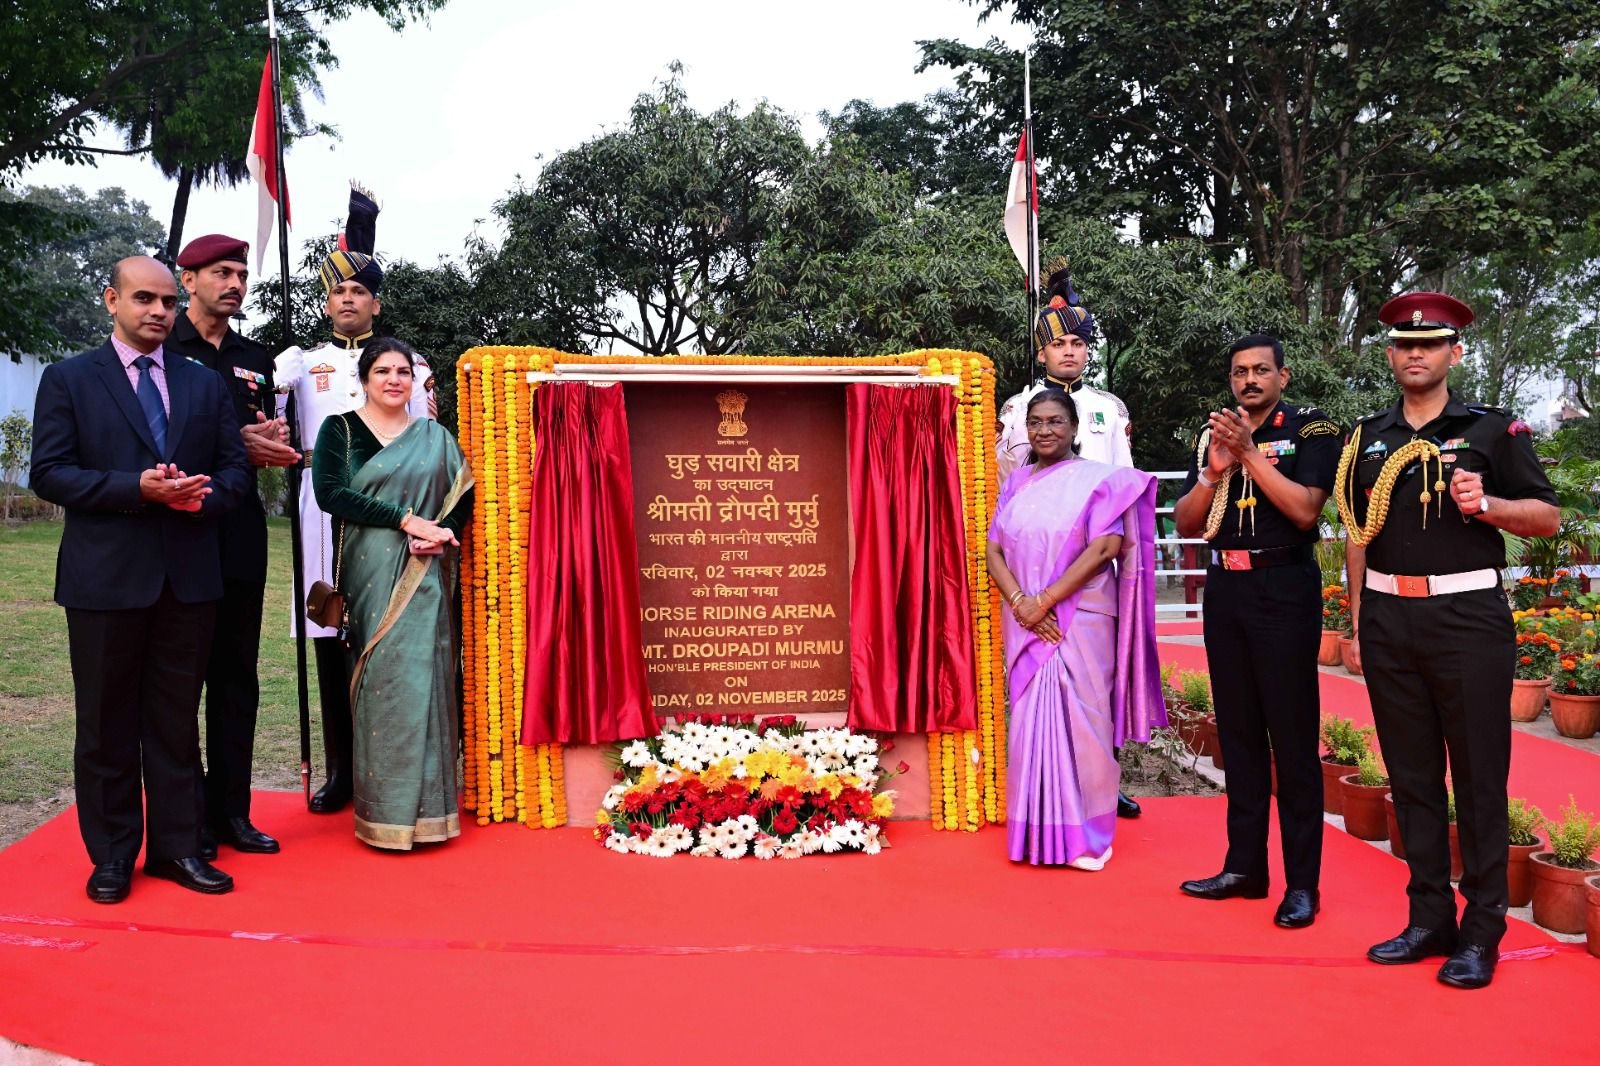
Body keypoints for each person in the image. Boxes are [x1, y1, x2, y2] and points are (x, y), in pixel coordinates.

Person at [1340, 292, 1558, 989]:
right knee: (1411, 779)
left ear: (1453, 353)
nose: (1415, 354)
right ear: (1390, 355)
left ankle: (1482, 928)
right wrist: (1353, 620)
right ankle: (1428, 917)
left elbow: (1547, 516)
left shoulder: (1492, 431)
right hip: (1388, 619)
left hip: (1467, 621)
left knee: (1477, 777)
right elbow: (1357, 530)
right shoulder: (1367, 437)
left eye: (1429, 344)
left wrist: (1485, 503)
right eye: (1404, 345)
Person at [30, 255, 251, 902]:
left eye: (169, 302)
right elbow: (50, 472)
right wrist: (139, 490)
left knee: (176, 723)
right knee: (105, 725)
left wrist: (196, 498)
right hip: (104, 583)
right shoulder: (69, 378)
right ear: (112, 300)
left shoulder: (203, 384)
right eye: (144, 299)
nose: (159, 312)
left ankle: (178, 850)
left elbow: (237, 473)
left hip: (188, 580)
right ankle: (113, 856)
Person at [1172, 334, 1342, 928]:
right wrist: (1213, 473)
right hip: (1228, 591)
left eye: (1261, 371)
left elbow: (1304, 511)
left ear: (1282, 377)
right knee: (1238, 733)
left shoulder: (1313, 430)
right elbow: (1188, 524)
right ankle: (1244, 866)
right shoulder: (1215, 433)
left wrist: (1249, 454)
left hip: (1282, 588)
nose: (1249, 381)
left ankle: (1302, 885)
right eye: (1240, 372)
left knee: (1291, 740)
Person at [275, 184, 434, 814]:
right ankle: (340, 768)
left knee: (387, 634)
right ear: (328, 299)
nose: (348, 300)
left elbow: (423, 443)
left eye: (359, 292)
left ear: (374, 302)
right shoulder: (298, 362)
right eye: (338, 291)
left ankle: (387, 766)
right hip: (320, 514)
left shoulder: (406, 366)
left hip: (389, 514)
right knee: (328, 633)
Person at [986, 390, 1165, 870]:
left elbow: (1104, 548)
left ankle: (1089, 836)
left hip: (1081, 618)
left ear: (1074, 427)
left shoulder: (1101, 482)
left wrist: (1044, 601)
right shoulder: (1017, 483)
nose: (1045, 431)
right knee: (1029, 725)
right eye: (1036, 422)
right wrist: (1023, 604)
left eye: (1055, 421)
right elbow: (994, 551)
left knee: (1085, 723)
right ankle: (1037, 831)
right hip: (1026, 622)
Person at [166, 233, 300, 858]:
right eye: (221, 272)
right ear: (186, 279)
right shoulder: (162, 347)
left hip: (240, 531)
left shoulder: (256, 355)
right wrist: (232, 447)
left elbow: (261, 438)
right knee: (178, 680)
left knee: (236, 679)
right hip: (178, 531)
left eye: (242, 274)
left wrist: (272, 441)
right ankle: (185, 818)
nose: (235, 284)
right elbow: (150, 440)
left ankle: (233, 814)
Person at [996, 261, 1143, 820]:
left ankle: (1104, 780)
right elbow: (1013, 489)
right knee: (1038, 687)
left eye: (1080, 344)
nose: (1071, 353)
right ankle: (1041, 786)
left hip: (1093, 566)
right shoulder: (1018, 410)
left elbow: (1123, 488)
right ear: (1042, 354)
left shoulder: (1108, 409)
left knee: (1096, 686)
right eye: (1060, 345)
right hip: (1034, 568)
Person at [311, 338, 472, 849]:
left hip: (426, 569)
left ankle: (432, 813)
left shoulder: (434, 435)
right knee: (382, 676)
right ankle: (383, 814)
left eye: (403, 372)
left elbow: (461, 493)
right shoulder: (340, 429)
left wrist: (441, 531)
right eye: (382, 371)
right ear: (364, 378)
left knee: (426, 672)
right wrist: (404, 519)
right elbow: (331, 494)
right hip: (371, 570)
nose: (393, 380)